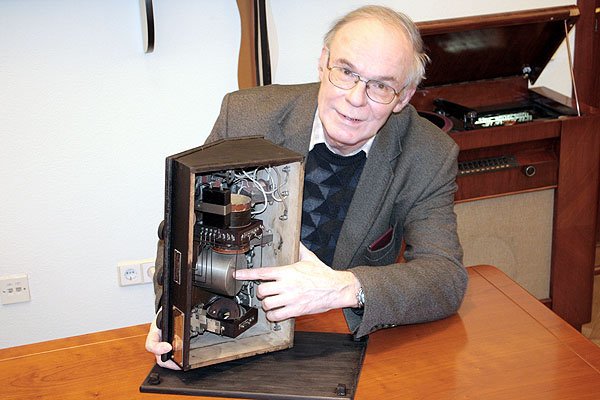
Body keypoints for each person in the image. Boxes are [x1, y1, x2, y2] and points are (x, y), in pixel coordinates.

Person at [146, 5, 468, 369]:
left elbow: (445, 278)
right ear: (323, 63)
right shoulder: (246, 116)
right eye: (346, 72)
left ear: (404, 97)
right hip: (237, 328)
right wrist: (171, 316)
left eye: (381, 85)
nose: (356, 98)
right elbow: (183, 230)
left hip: (338, 337)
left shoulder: (428, 154)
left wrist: (342, 287)